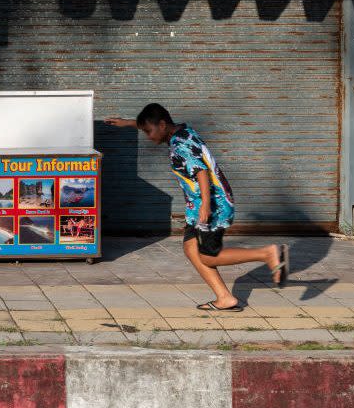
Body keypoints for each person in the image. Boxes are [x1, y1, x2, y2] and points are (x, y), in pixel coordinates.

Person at [106, 103, 288, 312]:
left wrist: (206, 207)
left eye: (149, 131)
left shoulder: (179, 146)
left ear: (163, 125)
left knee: (208, 256)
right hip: (204, 205)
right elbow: (155, 125)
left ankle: (267, 253)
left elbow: (201, 172)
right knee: (191, 249)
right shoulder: (183, 131)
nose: (147, 136)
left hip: (213, 206)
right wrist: (127, 123)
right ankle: (225, 298)